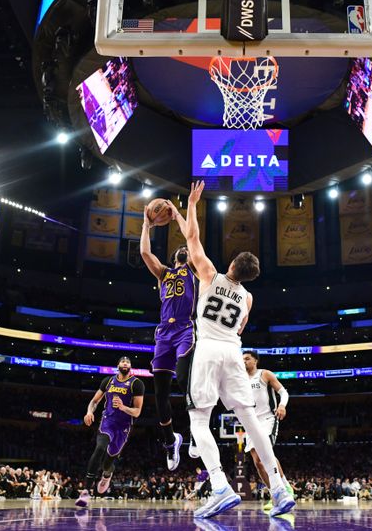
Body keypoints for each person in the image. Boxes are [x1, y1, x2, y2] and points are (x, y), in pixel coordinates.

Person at [179, 181, 295, 519]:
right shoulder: (248, 298)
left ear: (232, 263)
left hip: (208, 349)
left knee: (199, 419)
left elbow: (192, 240)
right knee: (249, 420)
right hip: (233, 351)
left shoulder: (211, 276)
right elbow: (241, 327)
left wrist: (190, 205)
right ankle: (278, 486)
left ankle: (220, 487)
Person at [140, 204, 196, 470]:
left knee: (185, 380)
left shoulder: (194, 269)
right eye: (181, 251)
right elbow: (144, 252)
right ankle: (170, 440)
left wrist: (176, 216)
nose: (184, 251)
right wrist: (145, 224)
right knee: (160, 393)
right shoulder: (164, 273)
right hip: (164, 333)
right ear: (175, 256)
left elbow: (191, 237)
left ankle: (196, 432)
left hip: (185, 329)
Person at [75, 357, 144, 507]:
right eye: (122, 362)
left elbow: (137, 411)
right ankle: (86, 491)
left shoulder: (137, 384)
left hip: (123, 427)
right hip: (107, 422)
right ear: (118, 365)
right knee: (99, 448)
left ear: (130, 367)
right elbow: (94, 401)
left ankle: (107, 475)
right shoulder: (108, 381)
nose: (125, 363)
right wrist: (89, 412)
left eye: (128, 362)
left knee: (108, 463)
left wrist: (123, 407)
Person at [242, 350, 293, 510]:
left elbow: (283, 392)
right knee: (258, 462)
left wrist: (282, 405)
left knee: (266, 455)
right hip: (250, 424)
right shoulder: (240, 379)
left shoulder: (264, 374)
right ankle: (274, 494)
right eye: (242, 359)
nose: (244, 361)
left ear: (255, 361)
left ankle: (285, 488)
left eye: (247, 359)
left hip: (267, 419)